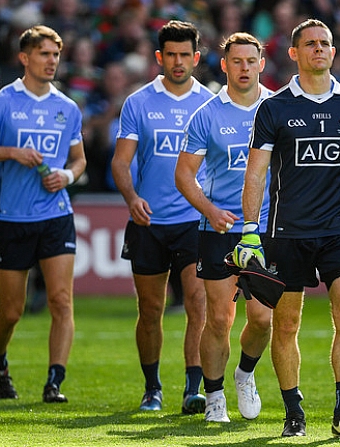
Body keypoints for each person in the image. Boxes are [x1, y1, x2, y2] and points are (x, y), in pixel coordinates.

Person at [234, 19, 340, 438]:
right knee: (287, 324)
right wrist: (248, 230)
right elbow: (256, 173)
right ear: (293, 53)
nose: (319, 49)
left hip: (339, 229)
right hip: (286, 232)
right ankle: (294, 412)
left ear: (334, 52)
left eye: (325, 44)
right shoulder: (274, 108)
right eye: (310, 44)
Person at [0, 25, 86, 403]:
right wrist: (10, 152)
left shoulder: (67, 107)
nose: (52, 62)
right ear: (24, 58)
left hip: (55, 215)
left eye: (56, 55)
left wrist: (66, 175)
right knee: (11, 311)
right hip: (11, 217)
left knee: (61, 301)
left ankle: (54, 382)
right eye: (44, 54)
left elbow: (79, 159)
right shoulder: (1, 103)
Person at [111, 20, 213, 414]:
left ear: (196, 58)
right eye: (170, 54)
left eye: (184, 54)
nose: (177, 61)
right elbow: (122, 162)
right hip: (148, 221)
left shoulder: (209, 104)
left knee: (197, 304)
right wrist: (132, 198)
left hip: (194, 220)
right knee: (150, 310)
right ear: (159, 57)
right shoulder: (138, 103)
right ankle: (152, 387)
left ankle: (193, 387)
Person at [174, 32, 273, 423]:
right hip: (219, 229)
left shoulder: (278, 108)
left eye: (251, 61)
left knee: (263, 320)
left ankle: (245, 374)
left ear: (261, 64)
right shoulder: (208, 114)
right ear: (224, 65)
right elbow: (184, 175)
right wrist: (210, 210)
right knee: (218, 319)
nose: (244, 68)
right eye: (237, 61)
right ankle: (214, 396)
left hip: (265, 229)